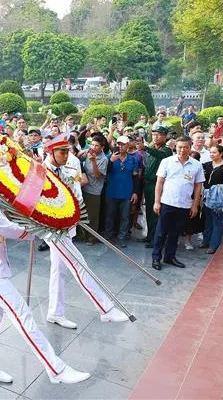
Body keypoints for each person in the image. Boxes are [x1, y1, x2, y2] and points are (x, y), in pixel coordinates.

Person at [0, 144, 90, 385]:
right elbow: (9, 229)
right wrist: (39, 229)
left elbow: (7, 217)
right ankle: (57, 369)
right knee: (23, 316)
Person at [43, 134, 129, 329]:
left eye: (68, 151)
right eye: (62, 152)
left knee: (59, 271)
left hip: (67, 227)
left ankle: (55, 312)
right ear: (50, 152)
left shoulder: (64, 169)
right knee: (79, 265)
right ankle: (105, 309)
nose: (67, 155)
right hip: (54, 231)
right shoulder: (43, 173)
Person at [152, 137, 204, 270]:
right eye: (179, 147)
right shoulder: (167, 161)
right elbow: (159, 182)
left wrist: (195, 204)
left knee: (175, 233)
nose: (182, 150)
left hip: (184, 204)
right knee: (161, 232)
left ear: (190, 147)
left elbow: (198, 186)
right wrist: (157, 202)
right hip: (167, 203)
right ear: (175, 147)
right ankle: (156, 257)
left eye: (185, 147)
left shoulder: (196, 165)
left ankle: (170, 257)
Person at [103, 136, 139, 248]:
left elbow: (136, 177)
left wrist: (135, 192)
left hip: (126, 193)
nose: (120, 146)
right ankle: (108, 236)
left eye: (123, 144)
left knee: (125, 217)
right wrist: (111, 161)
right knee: (109, 216)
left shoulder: (133, 159)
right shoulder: (110, 157)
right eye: (118, 144)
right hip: (112, 192)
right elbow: (104, 173)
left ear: (128, 145)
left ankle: (122, 237)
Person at [141, 126, 173, 249]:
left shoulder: (166, 150)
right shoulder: (152, 149)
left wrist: (146, 148)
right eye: (153, 135)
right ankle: (150, 236)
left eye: (158, 135)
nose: (155, 137)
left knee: (155, 213)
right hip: (147, 184)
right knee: (148, 212)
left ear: (165, 137)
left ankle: (156, 239)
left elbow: (160, 155)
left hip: (157, 185)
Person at [201, 145, 223, 254]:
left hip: (218, 197)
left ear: (221, 154)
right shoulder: (207, 165)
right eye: (210, 152)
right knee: (207, 220)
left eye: (214, 152)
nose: (211, 154)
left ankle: (214, 245)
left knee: (217, 221)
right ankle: (206, 241)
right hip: (207, 196)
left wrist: (216, 190)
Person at [78, 135, 108, 245]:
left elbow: (97, 175)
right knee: (83, 214)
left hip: (94, 191)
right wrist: (85, 150)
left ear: (102, 147)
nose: (94, 147)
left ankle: (92, 238)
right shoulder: (89, 153)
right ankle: (82, 235)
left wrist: (94, 161)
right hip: (84, 187)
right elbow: (77, 157)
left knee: (93, 216)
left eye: (97, 145)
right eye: (93, 144)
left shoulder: (103, 159)